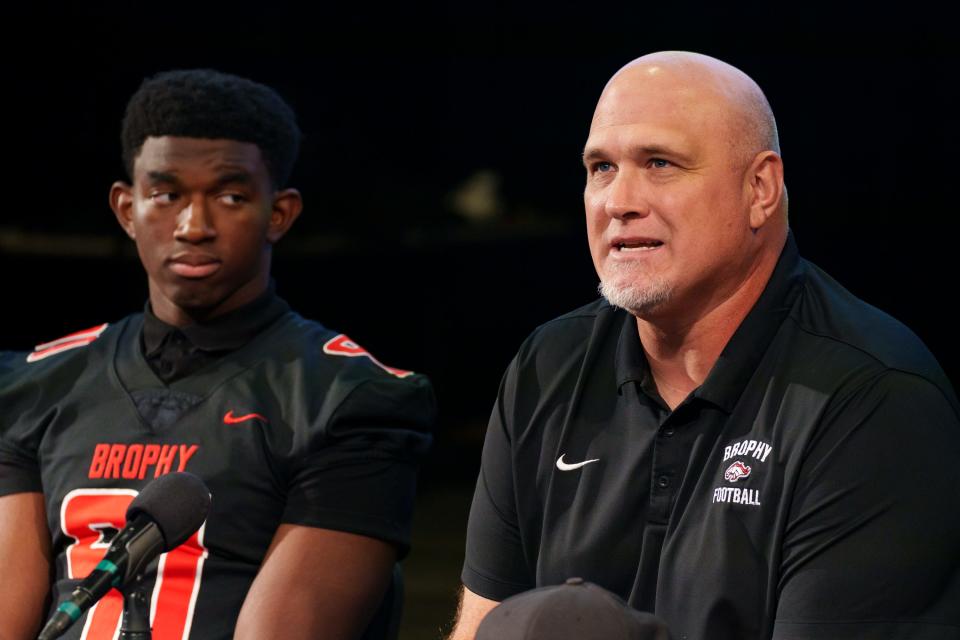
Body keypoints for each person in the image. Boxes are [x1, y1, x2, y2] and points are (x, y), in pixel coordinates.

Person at [449, 51, 960, 640]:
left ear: (760, 188)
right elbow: (483, 626)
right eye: (601, 168)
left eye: (660, 163)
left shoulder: (872, 399)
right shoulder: (547, 365)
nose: (619, 201)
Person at [0, 69, 435, 640]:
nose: (193, 226)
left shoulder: (351, 399)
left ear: (278, 214)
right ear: (127, 210)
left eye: (229, 196)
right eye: (166, 195)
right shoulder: (32, 385)